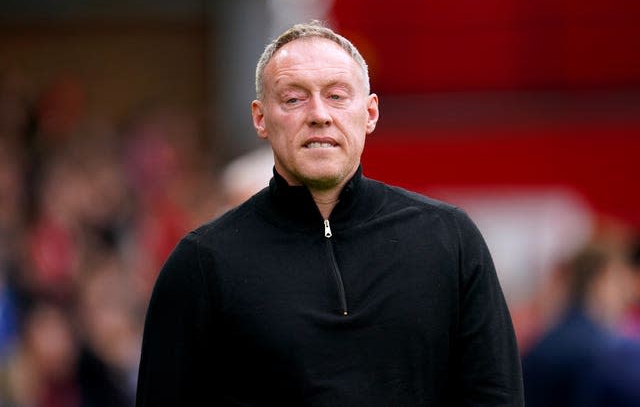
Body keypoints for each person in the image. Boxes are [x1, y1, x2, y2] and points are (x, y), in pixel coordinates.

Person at [135, 20, 524, 406]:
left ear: (370, 113)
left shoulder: (449, 240)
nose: (319, 114)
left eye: (337, 96)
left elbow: (496, 397)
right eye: (293, 99)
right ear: (260, 118)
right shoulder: (203, 263)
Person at [522, 239, 640, 407]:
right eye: (620, 283)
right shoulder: (602, 349)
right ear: (601, 280)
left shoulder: (549, 338)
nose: (627, 295)